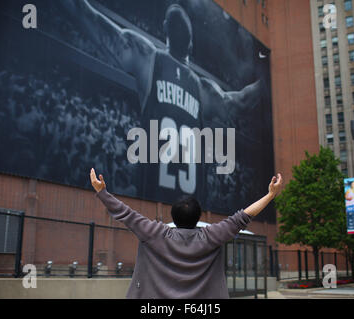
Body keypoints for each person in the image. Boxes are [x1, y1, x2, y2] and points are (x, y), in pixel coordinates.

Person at [57, 0, 268, 204]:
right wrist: (267, 74)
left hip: (155, 213)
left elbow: (86, 14)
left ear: (165, 30)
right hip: (191, 218)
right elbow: (240, 103)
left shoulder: (148, 58)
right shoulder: (204, 90)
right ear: (191, 45)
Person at [90, 168, 282, 299]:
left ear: (173, 217)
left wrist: (102, 192)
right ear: (198, 218)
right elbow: (243, 217)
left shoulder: (154, 234)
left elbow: (126, 213)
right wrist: (270, 195)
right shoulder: (211, 237)